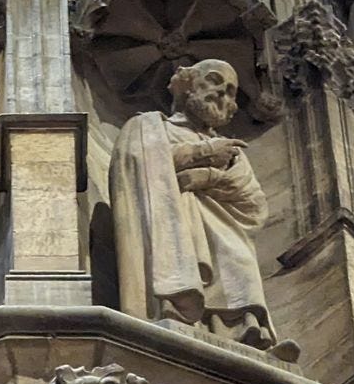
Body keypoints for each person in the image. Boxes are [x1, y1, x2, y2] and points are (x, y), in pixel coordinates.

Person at [110, 58, 294, 358]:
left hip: (226, 226)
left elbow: (254, 203)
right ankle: (179, 317)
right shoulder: (150, 127)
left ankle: (244, 338)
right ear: (187, 84)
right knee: (185, 258)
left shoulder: (232, 150)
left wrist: (207, 177)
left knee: (238, 264)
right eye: (214, 80)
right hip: (175, 221)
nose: (222, 93)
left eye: (231, 91)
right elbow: (139, 163)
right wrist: (203, 153)